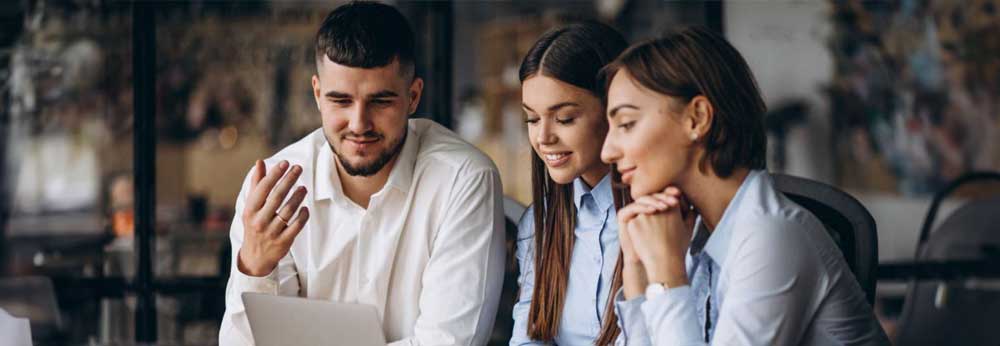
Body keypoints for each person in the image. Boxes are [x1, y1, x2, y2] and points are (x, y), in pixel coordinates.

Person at [219, 2, 505, 345]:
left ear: (413, 97)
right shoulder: (270, 191)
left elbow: (448, 342)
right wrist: (255, 268)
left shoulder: (463, 179)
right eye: (340, 101)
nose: (359, 124)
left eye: (380, 101)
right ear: (317, 94)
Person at [599, 26, 890, 345]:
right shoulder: (689, 233)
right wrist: (639, 272)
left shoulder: (772, 235)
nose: (607, 151)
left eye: (626, 124)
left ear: (697, 119)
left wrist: (667, 274)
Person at [510, 22, 629, 346]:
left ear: (614, 110)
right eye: (532, 119)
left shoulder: (667, 216)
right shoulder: (541, 222)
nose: (543, 137)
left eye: (564, 118)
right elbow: (529, 336)